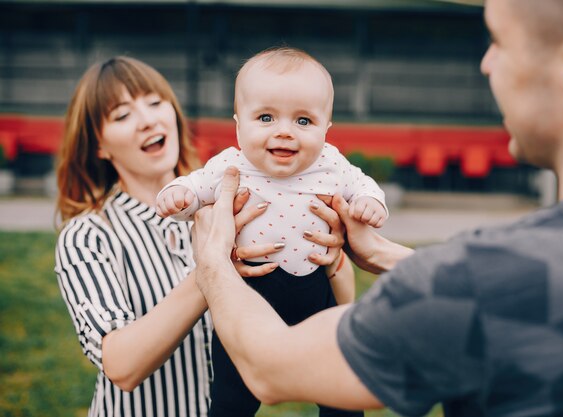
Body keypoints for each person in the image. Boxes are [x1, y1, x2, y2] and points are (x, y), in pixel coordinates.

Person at [190, 0, 563, 416]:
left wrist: (212, 259)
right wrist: (377, 252)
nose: (486, 63)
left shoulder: (479, 281)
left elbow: (271, 369)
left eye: (500, 43)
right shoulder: (488, 281)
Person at [54, 56, 351, 417]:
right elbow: (120, 365)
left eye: (154, 102)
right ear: (99, 145)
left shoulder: (236, 199)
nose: (147, 120)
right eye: (122, 115)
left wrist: (330, 256)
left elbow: (338, 305)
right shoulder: (87, 236)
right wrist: (212, 268)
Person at [157, 47, 381, 417]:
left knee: (341, 392)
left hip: (315, 291)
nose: (284, 132)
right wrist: (177, 195)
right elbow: (194, 189)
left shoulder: (331, 163)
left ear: (326, 128)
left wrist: (370, 203)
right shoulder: (231, 165)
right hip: (249, 296)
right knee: (232, 395)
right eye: (265, 117)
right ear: (238, 125)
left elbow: (364, 186)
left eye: (303, 122)